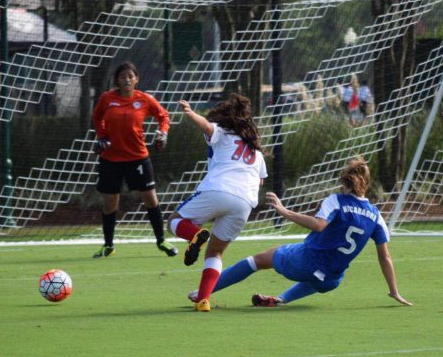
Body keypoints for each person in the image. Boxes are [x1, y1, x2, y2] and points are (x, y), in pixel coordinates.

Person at [191, 157, 412, 308]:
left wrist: (284, 211)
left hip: (303, 262)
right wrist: (394, 290)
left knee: (257, 260)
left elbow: (318, 225)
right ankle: (281, 299)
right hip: (331, 280)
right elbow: (385, 256)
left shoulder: (336, 201)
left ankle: (204, 293)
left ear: (344, 180)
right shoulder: (375, 215)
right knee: (320, 275)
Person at [168, 95, 267, 312]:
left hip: (219, 189)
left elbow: (207, 127)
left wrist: (191, 113)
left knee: (175, 221)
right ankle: (203, 300)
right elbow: (260, 181)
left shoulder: (223, 132)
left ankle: (194, 235)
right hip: (245, 203)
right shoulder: (256, 150)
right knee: (215, 253)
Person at [91, 60, 178, 259]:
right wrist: (102, 136)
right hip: (110, 159)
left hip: (138, 158)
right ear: (117, 80)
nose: (127, 80)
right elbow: (97, 118)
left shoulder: (145, 99)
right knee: (109, 203)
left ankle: (161, 240)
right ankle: (108, 245)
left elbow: (163, 116)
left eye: (130, 76)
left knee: (151, 199)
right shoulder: (107, 99)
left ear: (136, 79)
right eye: (123, 77)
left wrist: (163, 134)